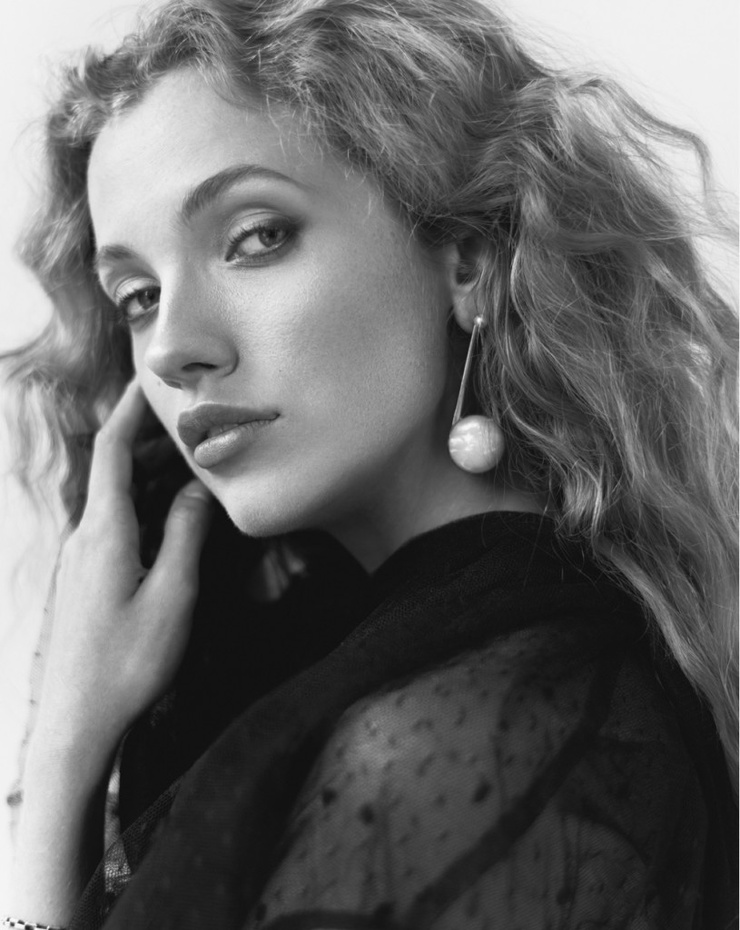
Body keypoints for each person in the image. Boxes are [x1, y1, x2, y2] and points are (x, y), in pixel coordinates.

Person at [1, 0, 737, 927]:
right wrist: (72, 743)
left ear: (466, 263)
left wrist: (59, 767)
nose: (172, 349)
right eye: (138, 295)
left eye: (255, 237)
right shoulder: (424, 670)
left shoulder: (468, 729)